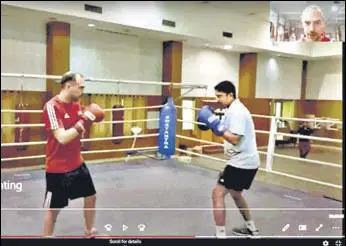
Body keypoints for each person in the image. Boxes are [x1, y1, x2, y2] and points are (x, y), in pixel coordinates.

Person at [42, 71, 105, 238]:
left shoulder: (77, 104)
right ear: (69, 86)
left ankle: (89, 230)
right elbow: (62, 138)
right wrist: (84, 121)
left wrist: (90, 118)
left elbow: (81, 125)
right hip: (57, 167)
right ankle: (47, 236)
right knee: (54, 208)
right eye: (81, 87)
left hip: (77, 162)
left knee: (91, 196)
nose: (82, 90)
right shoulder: (52, 106)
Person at [197, 81, 260, 237]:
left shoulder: (237, 112)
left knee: (217, 194)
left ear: (230, 95)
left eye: (220, 96)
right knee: (236, 194)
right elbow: (224, 133)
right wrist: (213, 125)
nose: (218, 99)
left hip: (241, 162)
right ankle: (252, 229)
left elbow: (234, 139)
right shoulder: (231, 109)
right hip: (243, 161)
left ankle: (220, 235)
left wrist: (213, 123)